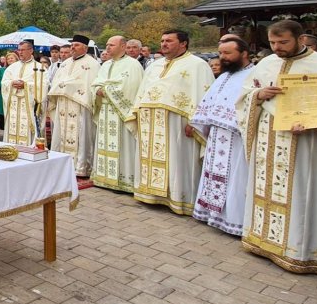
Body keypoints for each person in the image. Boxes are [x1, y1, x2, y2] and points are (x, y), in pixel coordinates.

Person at [239, 20, 317, 276]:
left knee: (300, 194)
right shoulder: (267, 62)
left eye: (283, 42)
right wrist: (259, 95)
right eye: (273, 42)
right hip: (268, 139)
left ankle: (301, 252)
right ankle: (263, 241)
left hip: (307, 142)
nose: (277, 47)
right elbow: (245, 94)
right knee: (266, 187)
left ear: (299, 39)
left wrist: (310, 122)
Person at [127, 29, 214, 215]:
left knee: (178, 160)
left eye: (169, 41)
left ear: (183, 43)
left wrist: (197, 122)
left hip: (178, 124)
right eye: (162, 40)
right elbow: (143, 92)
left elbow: (205, 96)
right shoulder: (154, 66)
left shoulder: (198, 65)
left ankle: (178, 199)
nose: (164, 44)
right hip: (150, 123)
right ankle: (150, 193)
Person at [189, 37, 254, 236]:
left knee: (235, 177)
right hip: (217, 134)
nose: (223, 58)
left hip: (236, 137)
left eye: (228, 53)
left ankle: (232, 219)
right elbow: (210, 100)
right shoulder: (225, 75)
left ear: (243, 53)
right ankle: (211, 213)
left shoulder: (253, 75)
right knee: (213, 173)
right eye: (221, 54)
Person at [91, 35, 143, 193]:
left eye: (111, 45)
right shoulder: (105, 65)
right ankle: (103, 176)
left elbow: (130, 87)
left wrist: (105, 89)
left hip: (121, 113)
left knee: (123, 145)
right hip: (106, 111)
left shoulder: (133, 65)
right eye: (106, 45)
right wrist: (97, 89)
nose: (107, 48)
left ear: (123, 46)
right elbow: (96, 82)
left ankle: (124, 180)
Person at [47, 34, 101, 177]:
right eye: (72, 45)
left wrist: (66, 86)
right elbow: (56, 81)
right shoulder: (65, 63)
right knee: (60, 133)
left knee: (81, 135)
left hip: (80, 105)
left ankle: (81, 167)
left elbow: (88, 84)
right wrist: (62, 86)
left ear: (85, 47)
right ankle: (60, 162)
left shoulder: (92, 64)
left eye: (76, 45)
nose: (72, 48)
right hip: (63, 104)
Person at [2, 40, 48, 145]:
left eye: (23, 50)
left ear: (31, 50)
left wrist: (26, 85)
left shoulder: (40, 68)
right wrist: (12, 83)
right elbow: (4, 83)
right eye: (19, 50)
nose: (20, 52)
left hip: (29, 107)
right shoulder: (12, 67)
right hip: (13, 105)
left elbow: (44, 86)